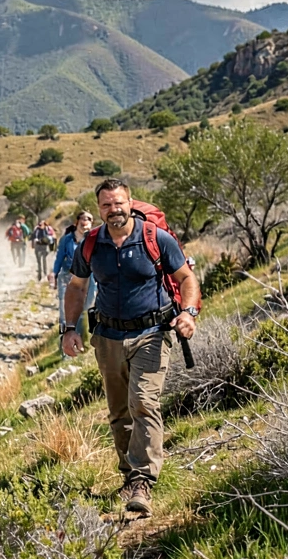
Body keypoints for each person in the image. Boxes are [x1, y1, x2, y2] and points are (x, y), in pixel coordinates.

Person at [63, 178, 200, 516]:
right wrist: (69, 328)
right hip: (107, 337)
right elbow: (77, 286)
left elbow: (186, 279)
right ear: (99, 209)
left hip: (152, 333)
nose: (114, 210)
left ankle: (143, 480)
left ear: (130, 202)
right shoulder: (91, 244)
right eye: (107, 205)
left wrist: (189, 311)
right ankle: (128, 475)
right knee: (119, 411)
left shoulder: (155, 238)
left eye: (119, 203)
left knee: (143, 402)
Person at [50, 211, 98, 350]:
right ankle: (65, 347)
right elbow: (59, 257)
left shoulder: (94, 240)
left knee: (85, 309)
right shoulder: (67, 239)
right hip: (67, 276)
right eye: (83, 218)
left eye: (89, 219)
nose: (85, 221)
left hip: (89, 278)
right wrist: (54, 273)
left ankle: (80, 342)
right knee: (65, 311)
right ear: (77, 222)